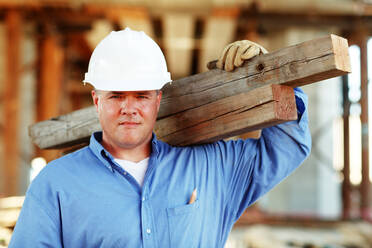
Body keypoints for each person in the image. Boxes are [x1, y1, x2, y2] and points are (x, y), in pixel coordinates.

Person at [9, 28, 311, 248]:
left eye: (141, 95)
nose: (129, 108)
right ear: (96, 101)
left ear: (157, 100)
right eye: (116, 95)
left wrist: (271, 74)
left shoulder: (212, 168)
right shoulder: (56, 185)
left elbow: (288, 146)